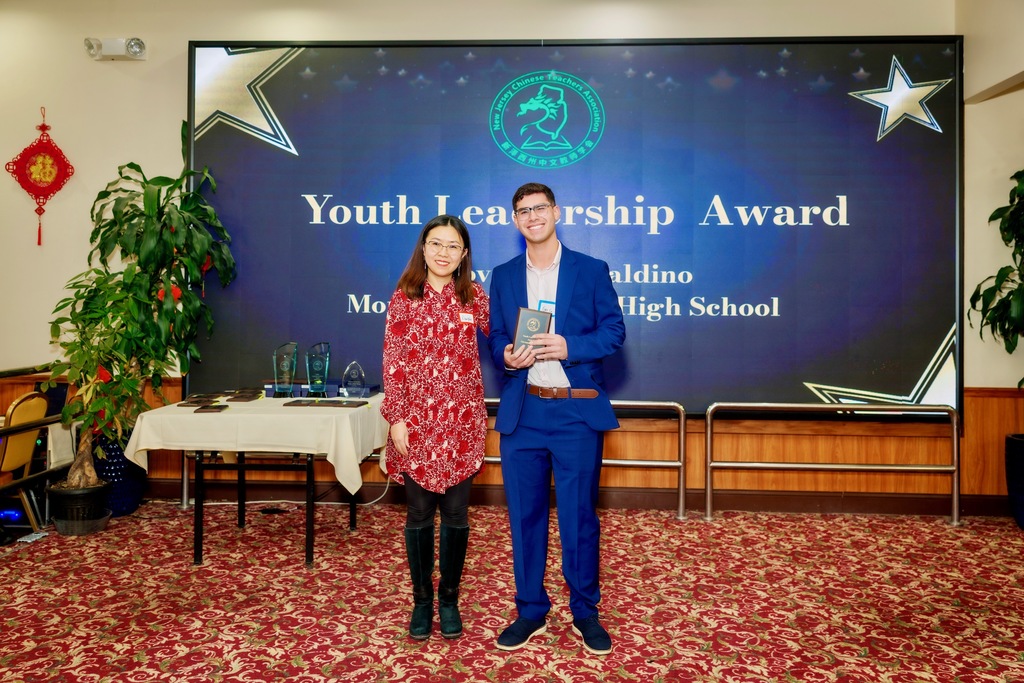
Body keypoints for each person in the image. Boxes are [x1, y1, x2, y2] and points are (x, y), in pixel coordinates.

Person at [488, 182, 626, 655]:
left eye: (539, 208)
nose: (532, 217)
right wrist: (506, 355)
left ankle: (586, 611)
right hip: (523, 411)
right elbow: (497, 337)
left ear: (556, 212)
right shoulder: (503, 276)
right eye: (522, 211)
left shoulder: (590, 270)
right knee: (524, 518)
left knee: (578, 517)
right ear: (515, 220)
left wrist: (572, 346)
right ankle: (530, 610)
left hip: (574, 411)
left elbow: (614, 331)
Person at [379, 214, 490, 641]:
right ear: (423, 248)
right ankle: (422, 600)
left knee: (458, 514)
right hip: (418, 425)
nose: (444, 252)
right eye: (436, 244)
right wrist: (398, 420)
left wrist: (534, 331)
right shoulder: (405, 296)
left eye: (453, 246)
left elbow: (501, 339)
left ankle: (449, 599)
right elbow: (393, 360)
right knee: (420, 513)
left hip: (462, 424)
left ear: (464, 254)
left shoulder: (474, 296)